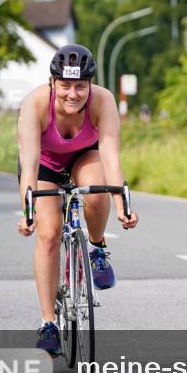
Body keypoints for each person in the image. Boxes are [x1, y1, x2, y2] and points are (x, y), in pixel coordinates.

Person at [16, 44, 139, 355]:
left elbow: (110, 158)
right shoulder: (34, 105)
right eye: (66, 85)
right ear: (52, 83)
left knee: (97, 193)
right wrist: (28, 213)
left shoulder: (104, 101)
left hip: (84, 156)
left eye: (81, 86)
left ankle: (97, 248)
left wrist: (124, 206)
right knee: (48, 234)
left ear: (90, 84)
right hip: (44, 163)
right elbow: (28, 165)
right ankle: (48, 323)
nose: (73, 94)